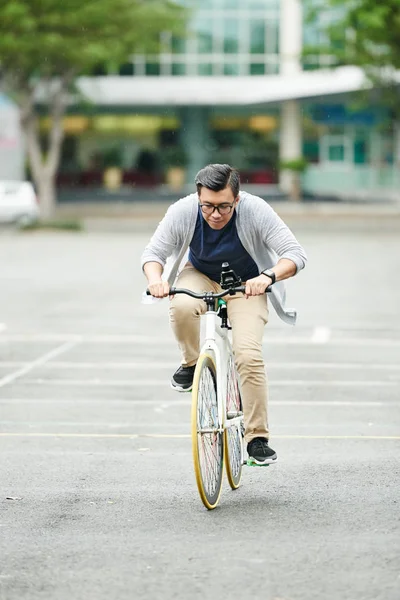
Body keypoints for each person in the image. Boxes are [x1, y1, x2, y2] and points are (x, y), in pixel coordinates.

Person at [141, 164, 307, 466]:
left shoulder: (256, 210)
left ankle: (257, 438)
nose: (215, 214)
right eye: (208, 206)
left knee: (248, 355)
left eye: (224, 207)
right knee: (180, 306)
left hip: (248, 285)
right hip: (200, 275)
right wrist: (156, 280)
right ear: (198, 198)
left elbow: (295, 255)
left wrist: (268, 277)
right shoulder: (184, 211)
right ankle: (191, 364)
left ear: (237, 199)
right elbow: (153, 254)